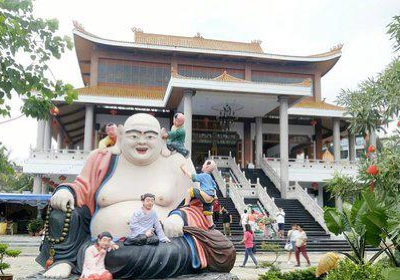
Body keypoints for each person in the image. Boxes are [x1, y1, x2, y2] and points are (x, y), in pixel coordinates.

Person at [38, 114, 235, 279]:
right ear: (122, 135)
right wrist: (65, 191)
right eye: (134, 136)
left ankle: (94, 260)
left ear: (162, 138)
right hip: (104, 242)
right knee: (63, 212)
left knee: (169, 253)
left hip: (161, 245)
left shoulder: (178, 162)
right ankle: (64, 259)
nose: (141, 141)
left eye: (149, 136)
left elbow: (198, 202)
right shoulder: (102, 159)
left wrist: (178, 217)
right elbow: (81, 188)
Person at [180, 160, 217, 228]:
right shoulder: (211, 178)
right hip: (211, 197)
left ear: (207, 166)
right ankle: (211, 225)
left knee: (190, 191)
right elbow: (215, 187)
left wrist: (184, 169)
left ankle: (186, 204)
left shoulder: (204, 175)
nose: (202, 165)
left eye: (203, 164)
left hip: (205, 194)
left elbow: (192, 177)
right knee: (208, 212)